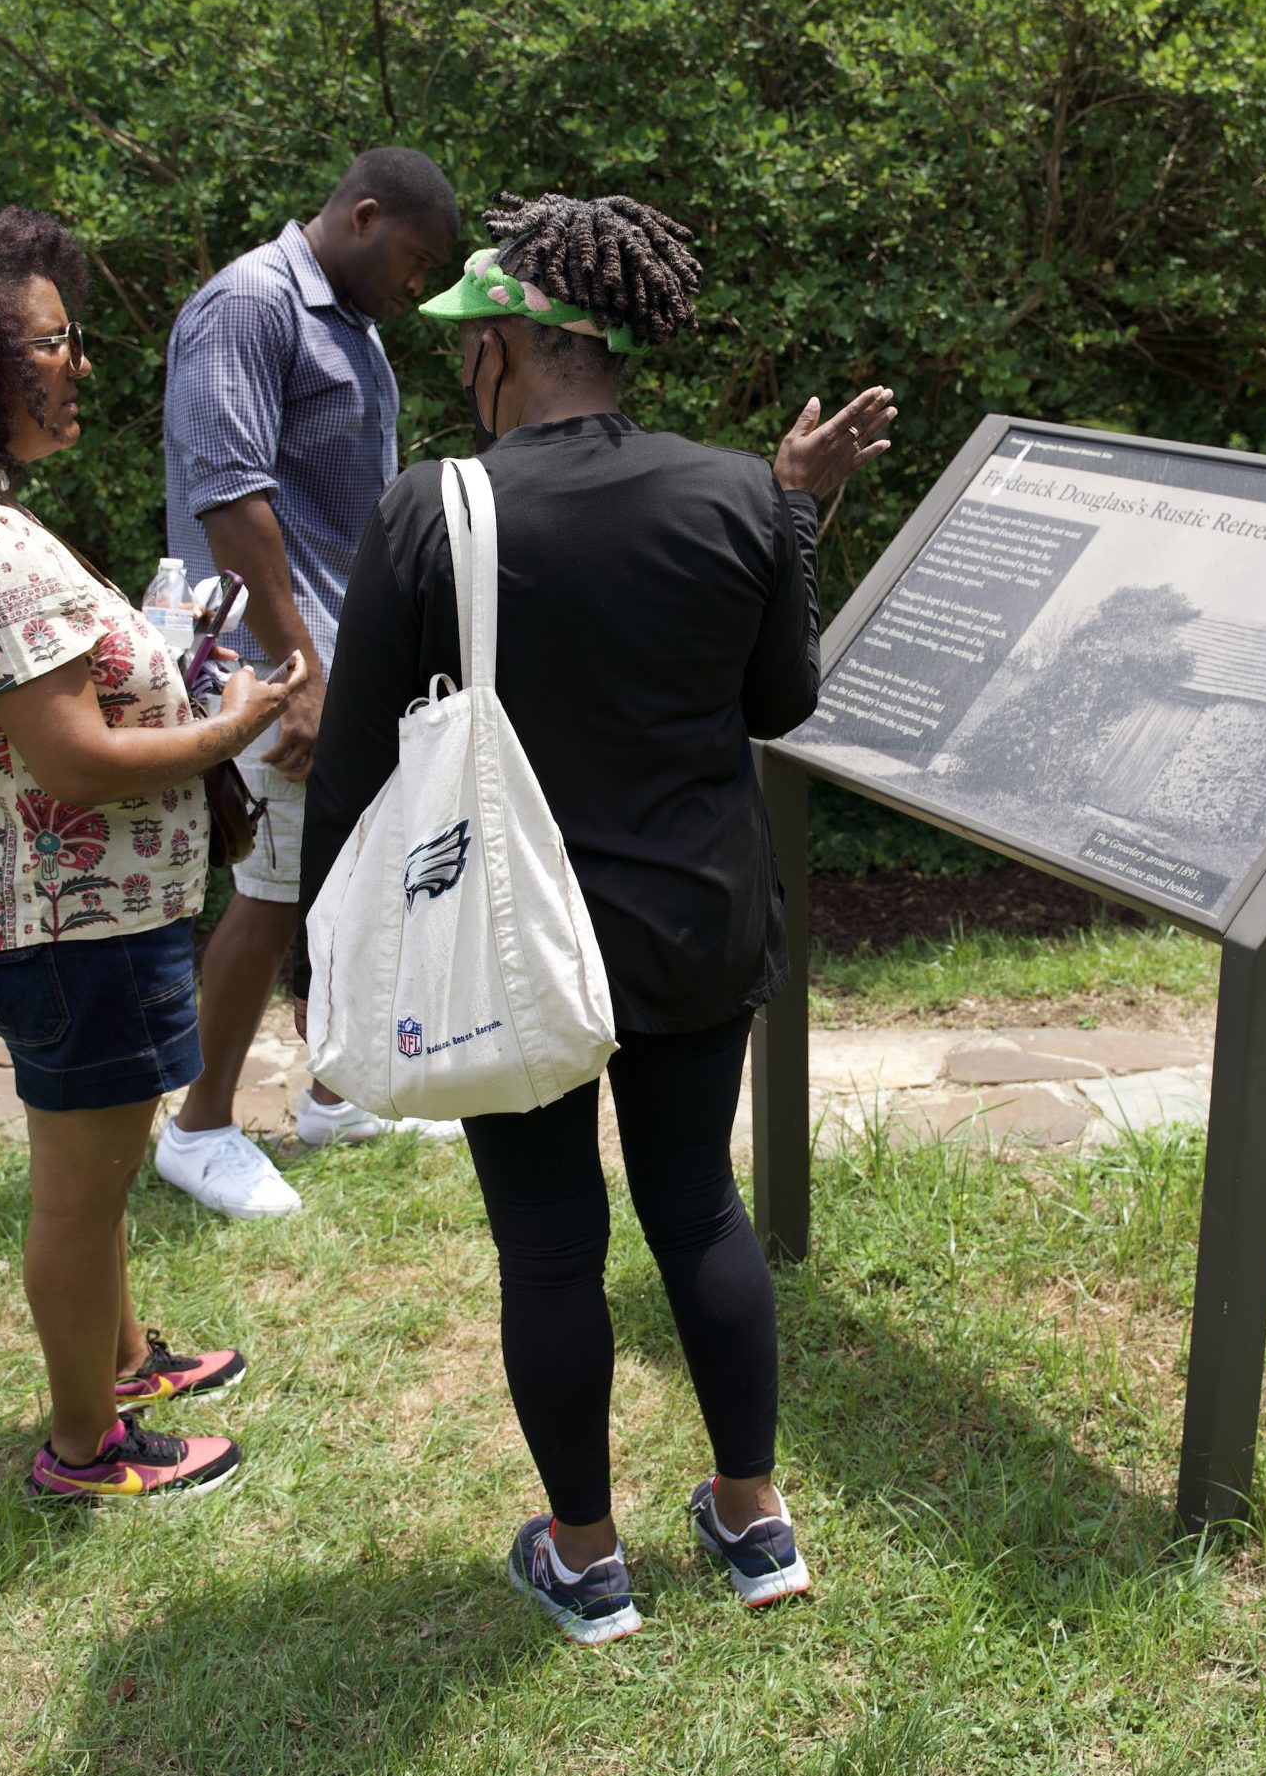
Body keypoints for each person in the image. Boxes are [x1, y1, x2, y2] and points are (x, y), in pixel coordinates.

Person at [298, 190, 894, 1642]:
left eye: (469, 340)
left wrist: (323, 969)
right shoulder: (741, 496)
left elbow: (357, 759)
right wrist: (793, 511)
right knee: (697, 1206)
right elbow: (780, 703)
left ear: (508, 343)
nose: (462, 366)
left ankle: (586, 1558)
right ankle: (753, 1521)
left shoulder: (432, 508)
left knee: (551, 1246)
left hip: (505, 947)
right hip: (695, 923)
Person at [0, 212, 309, 1502]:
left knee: (98, 1166)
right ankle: (86, 1449)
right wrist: (234, 724)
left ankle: (122, 1363)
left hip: (65, 914)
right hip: (65, 922)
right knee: (80, 1187)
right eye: (52, 344)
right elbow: (71, 760)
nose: (80, 364)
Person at [159, 147, 464, 1221]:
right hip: (277, 664)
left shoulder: (351, 323)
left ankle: (338, 1093)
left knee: (351, 880)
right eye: (416, 259)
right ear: (363, 214)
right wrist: (298, 674)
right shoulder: (251, 304)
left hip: (341, 658)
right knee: (274, 890)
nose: (418, 285)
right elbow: (230, 501)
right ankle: (198, 1126)